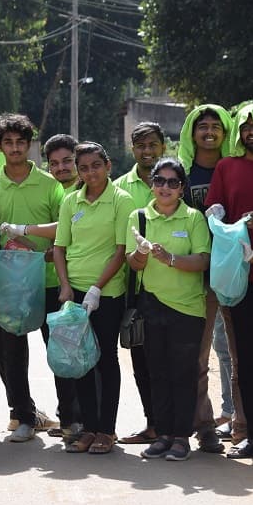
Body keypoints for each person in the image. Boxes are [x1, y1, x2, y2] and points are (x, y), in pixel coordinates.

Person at [0, 113, 72, 442]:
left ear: (29, 144)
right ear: (0, 146)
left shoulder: (50, 185)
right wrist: (5, 246)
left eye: (21, 142)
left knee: (59, 349)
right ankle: (23, 416)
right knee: (13, 354)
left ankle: (69, 415)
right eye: (9, 142)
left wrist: (43, 249)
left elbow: (65, 228)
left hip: (50, 280)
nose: (15, 148)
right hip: (11, 287)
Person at [204, 102, 253, 459]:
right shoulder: (226, 167)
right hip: (240, 280)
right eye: (245, 125)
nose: (251, 131)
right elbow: (214, 210)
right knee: (247, 362)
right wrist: (227, 221)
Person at [126, 158, 210, 461]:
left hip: (187, 309)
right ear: (152, 184)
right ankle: (162, 434)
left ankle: (181, 437)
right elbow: (132, 264)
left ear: (181, 188)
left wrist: (170, 259)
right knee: (156, 373)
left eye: (172, 182)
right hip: (152, 305)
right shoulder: (139, 217)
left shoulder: (193, 218)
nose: (165, 187)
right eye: (159, 181)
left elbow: (203, 260)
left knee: (183, 374)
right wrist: (141, 252)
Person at [53, 142, 135, 454]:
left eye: (95, 166)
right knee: (80, 362)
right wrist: (65, 285)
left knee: (105, 360)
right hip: (73, 296)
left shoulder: (121, 200)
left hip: (107, 294)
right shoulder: (71, 201)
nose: (90, 173)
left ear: (108, 165)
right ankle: (88, 428)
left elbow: (120, 251)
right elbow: (60, 247)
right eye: (84, 168)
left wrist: (97, 288)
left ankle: (106, 431)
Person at [178, 103, 246, 451]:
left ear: (225, 131)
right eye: (201, 125)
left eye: (215, 126)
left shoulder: (235, 168)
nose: (208, 131)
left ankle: (243, 425)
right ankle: (204, 427)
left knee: (239, 354)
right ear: (192, 132)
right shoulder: (183, 174)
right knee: (199, 355)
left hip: (234, 271)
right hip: (197, 276)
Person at [112, 122, 166, 446]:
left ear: (163, 146)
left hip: (176, 287)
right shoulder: (119, 188)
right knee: (141, 358)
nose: (147, 151)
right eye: (141, 146)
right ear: (132, 149)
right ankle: (152, 423)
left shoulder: (176, 180)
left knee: (172, 359)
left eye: (153, 145)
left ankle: (176, 426)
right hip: (133, 286)